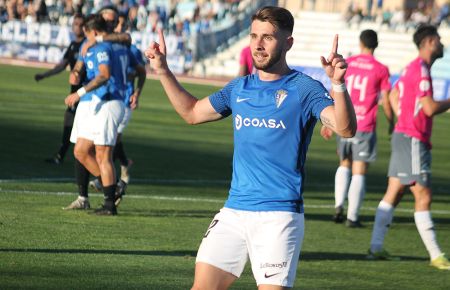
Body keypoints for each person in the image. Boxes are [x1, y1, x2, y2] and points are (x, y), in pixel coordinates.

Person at [145, 6, 356, 289]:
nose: (258, 44)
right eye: (254, 36)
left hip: (278, 216)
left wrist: (338, 84)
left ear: (288, 43)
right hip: (234, 211)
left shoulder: (305, 88)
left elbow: (345, 128)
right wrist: (163, 71)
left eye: (268, 37)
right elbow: (193, 113)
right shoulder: (238, 88)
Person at [367, 24, 450, 270]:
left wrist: (401, 120)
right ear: (428, 42)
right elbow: (429, 108)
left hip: (405, 135)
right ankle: (436, 254)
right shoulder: (421, 70)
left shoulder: (412, 67)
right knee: (423, 195)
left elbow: (393, 94)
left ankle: (375, 248)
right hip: (413, 139)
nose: (442, 44)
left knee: (395, 191)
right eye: (439, 40)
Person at [65, 14, 136, 215]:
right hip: (95, 101)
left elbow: (105, 75)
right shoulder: (91, 45)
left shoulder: (105, 45)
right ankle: (112, 189)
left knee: (103, 154)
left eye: (88, 34)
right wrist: (77, 73)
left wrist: (79, 92)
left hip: (109, 101)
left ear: (94, 32)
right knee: (80, 150)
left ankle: (109, 204)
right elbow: (81, 62)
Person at [321, 29, 393, 227]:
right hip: (365, 124)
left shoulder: (348, 62)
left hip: (344, 120)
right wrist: (392, 121)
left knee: (344, 163)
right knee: (359, 170)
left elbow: (335, 88)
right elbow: (386, 99)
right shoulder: (381, 68)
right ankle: (352, 216)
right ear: (376, 44)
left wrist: (328, 120)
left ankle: (338, 207)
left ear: (361, 43)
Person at [89, 12, 147, 203]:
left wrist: (137, 93)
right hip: (108, 100)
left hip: (122, 101)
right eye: (116, 24)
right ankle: (114, 175)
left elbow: (141, 72)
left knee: (110, 143)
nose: (118, 27)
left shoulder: (130, 49)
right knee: (108, 143)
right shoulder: (109, 47)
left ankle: (114, 181)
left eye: (121, 25)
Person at [35, 13, 86, 165]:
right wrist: (44, 75)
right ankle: (60, 157)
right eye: (75, 23)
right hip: (74, 93)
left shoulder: (87, 46)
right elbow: (61, 66)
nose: (77, 27)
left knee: (83, 130)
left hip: (85, 93)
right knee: (68, 123)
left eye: (80, 24)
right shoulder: (72, 45)